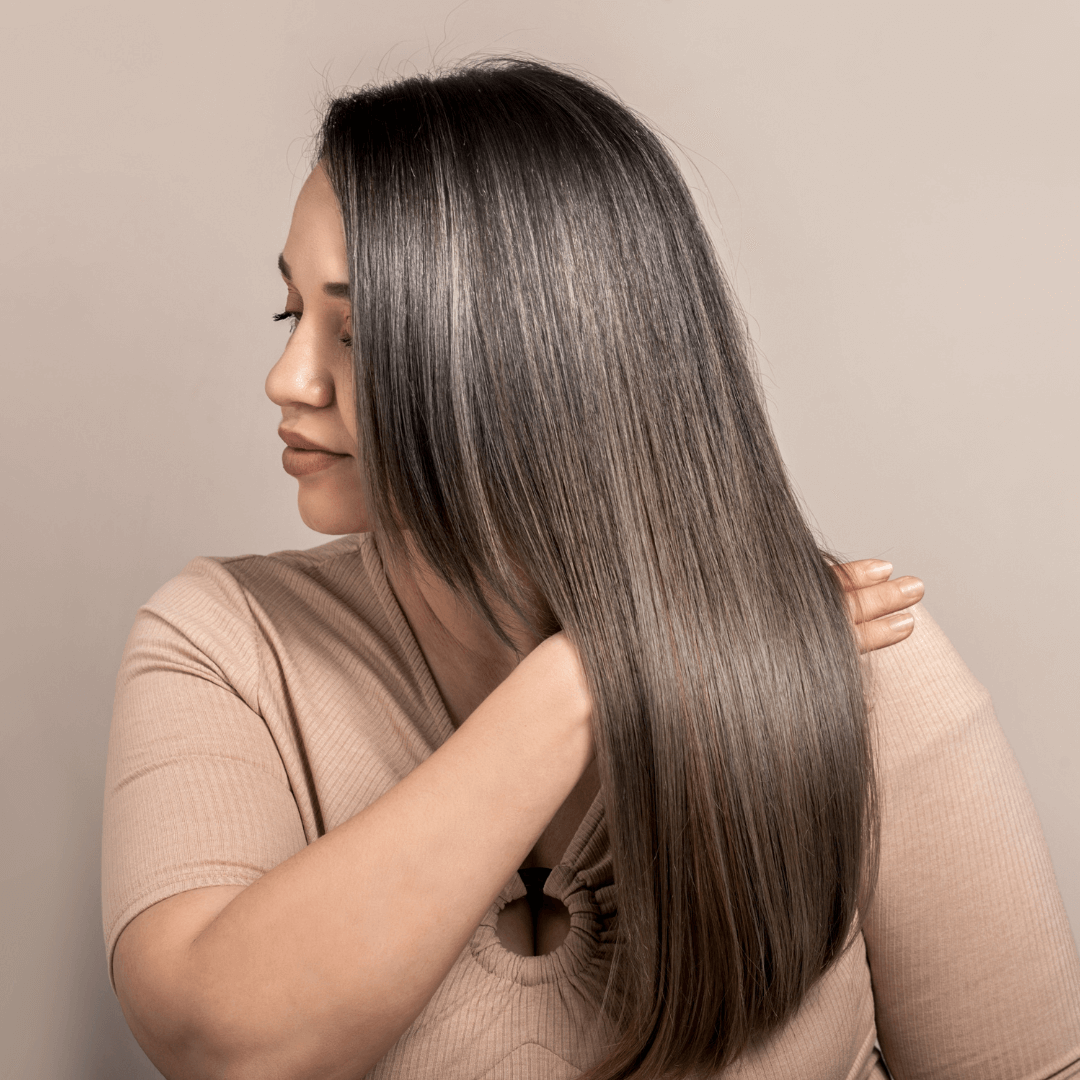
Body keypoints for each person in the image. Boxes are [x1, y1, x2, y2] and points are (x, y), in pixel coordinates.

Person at [102, 58, 1080, 1080]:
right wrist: (585, 683)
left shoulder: (862, 656)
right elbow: (219, 1039)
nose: (286, 378)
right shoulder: (222, 642)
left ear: (533, 353)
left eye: (349, 331)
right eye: (288, 317)